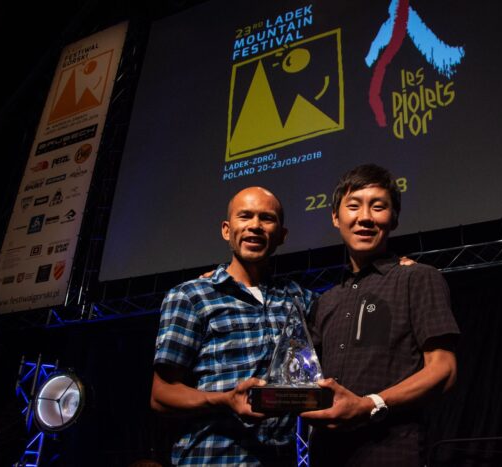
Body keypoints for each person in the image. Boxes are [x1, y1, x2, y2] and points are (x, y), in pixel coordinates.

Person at [301, 164, 460, 466]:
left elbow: (444, 370)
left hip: (392, 453)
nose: (365, 218)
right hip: (326, 456)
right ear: (336, 217)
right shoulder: (326, 301)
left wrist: (369, 405)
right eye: (353, 206)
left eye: (378, 207)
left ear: (394, 218)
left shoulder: (417, 278)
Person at [150, 186, 316, 466]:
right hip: (212, 459)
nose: (255, 226)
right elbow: (161, 396)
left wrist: (396, 263)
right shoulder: (191, 296)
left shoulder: (299, 299)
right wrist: (225, 400)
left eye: (266, 218)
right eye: (245, 216)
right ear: (227, 230)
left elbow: (347, 301)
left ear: (282, 235)